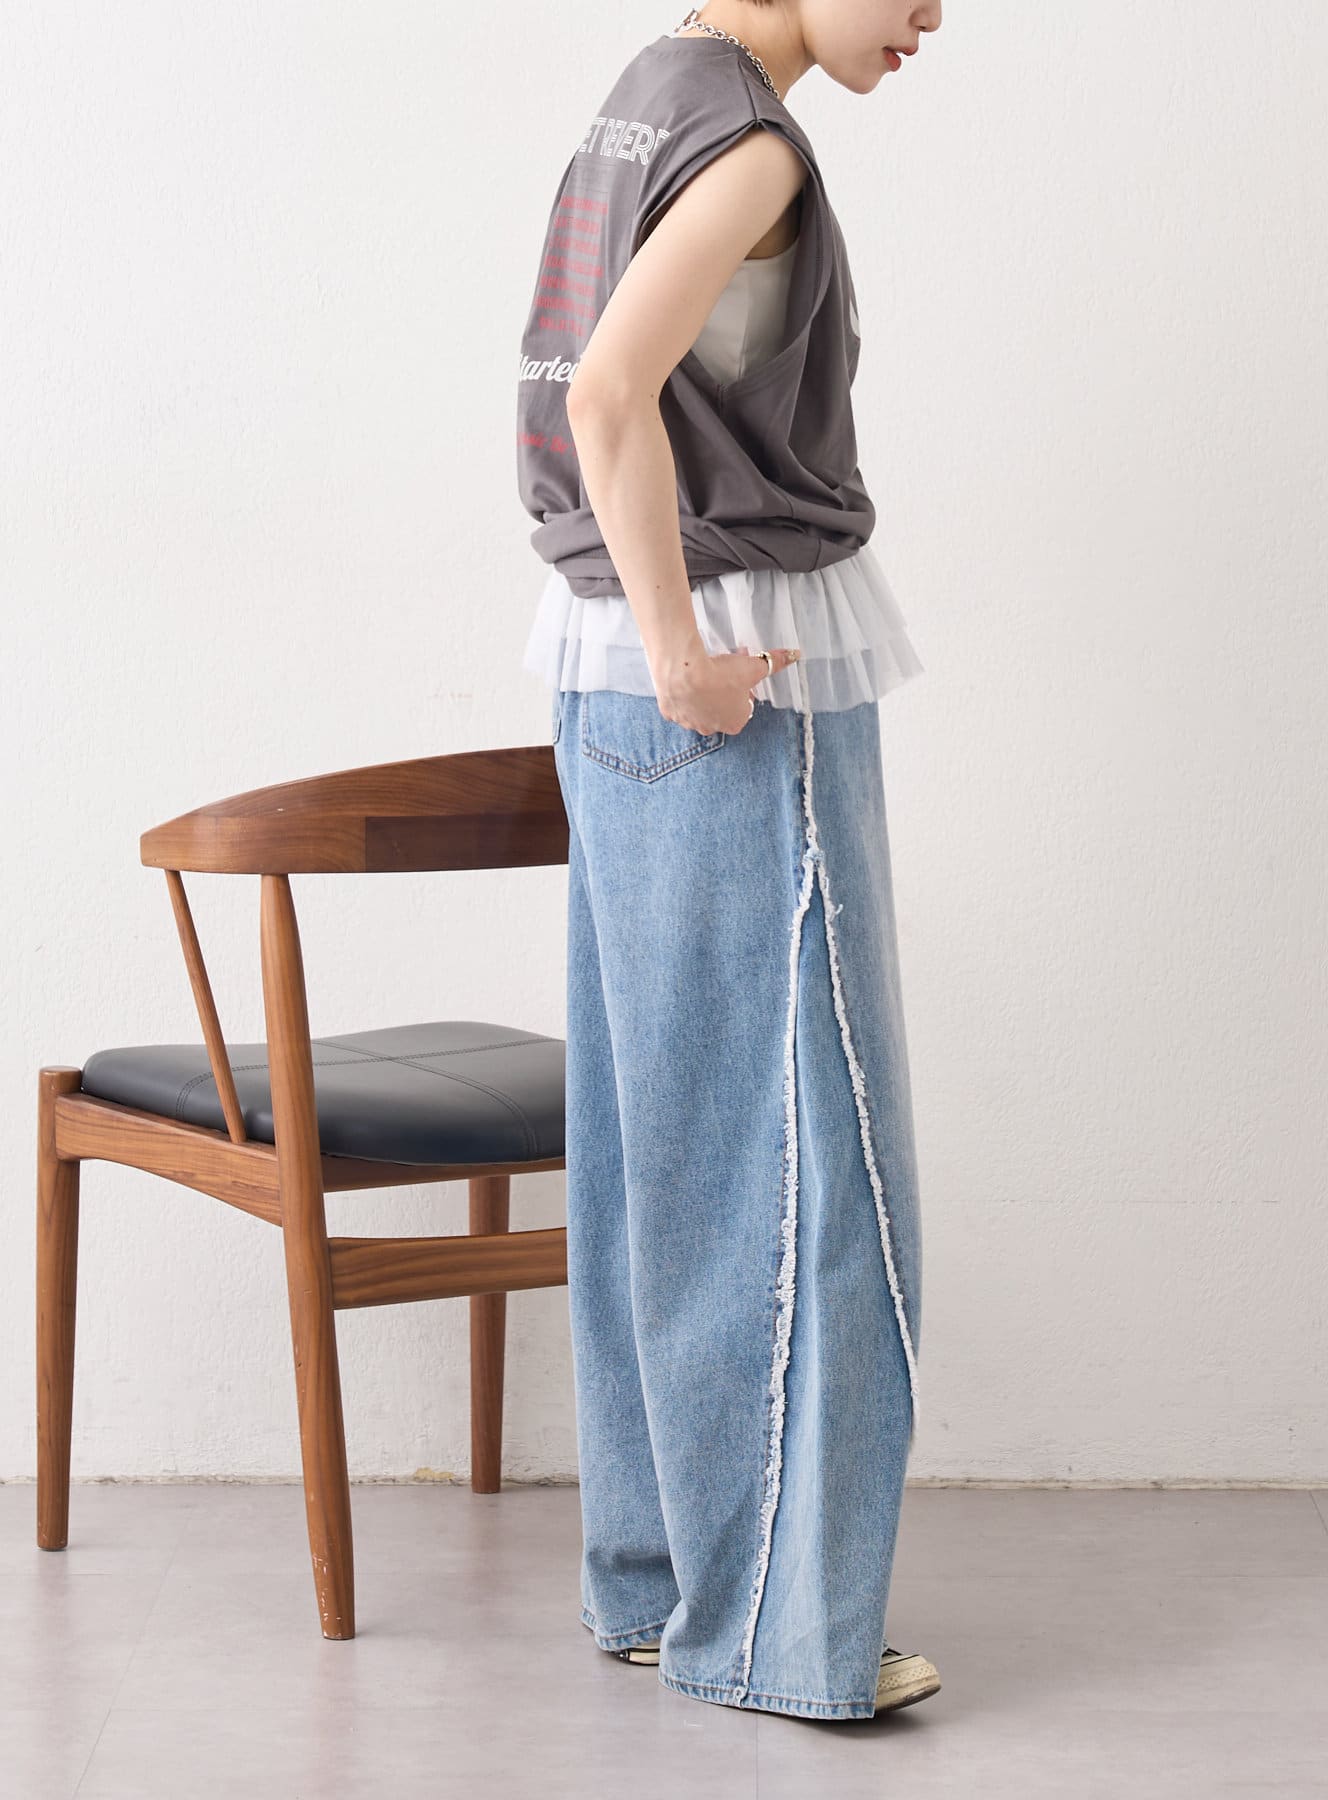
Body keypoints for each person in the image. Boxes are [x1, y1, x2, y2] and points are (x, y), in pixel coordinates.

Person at [515, 0, 943, 1721]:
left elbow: (597, 383)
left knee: (663, 1143)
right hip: (728, 681)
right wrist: (687, 650)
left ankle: (664, 1586)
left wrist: (649, 645)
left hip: (606, 682)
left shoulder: (648, 93)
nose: (932, 15)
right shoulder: (750, 144)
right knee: (806, 1163)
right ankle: (778, 1632)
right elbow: (610, 391)